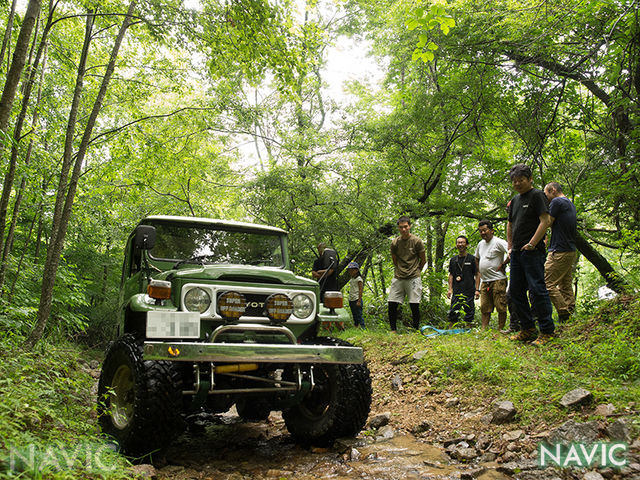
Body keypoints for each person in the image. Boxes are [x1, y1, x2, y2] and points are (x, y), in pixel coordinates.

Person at [507, 164, 555, 345]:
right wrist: (510, 246)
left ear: (530, 179)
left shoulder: (537, 195)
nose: (517, 183)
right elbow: (510, 224)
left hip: (532, 252)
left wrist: (532, 243)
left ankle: (547, 331)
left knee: (537, 290)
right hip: (517, 253)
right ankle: (527, 328)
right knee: (515, 292)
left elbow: (546, 220)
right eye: (514, 181)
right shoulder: (515, 200)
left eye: (520, 180)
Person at [543, 182, 577, 323]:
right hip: (570, 250)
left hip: (559, 250)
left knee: (546, 283)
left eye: (547, 194)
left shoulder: (557, 201)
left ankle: (564, 313)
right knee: (565, 284)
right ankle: (570, 314)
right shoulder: (569, 203)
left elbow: (547, 221)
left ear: (553, 190)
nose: (547, 199)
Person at [388, 216, 426, 333]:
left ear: (409, 226)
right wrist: (400, 269)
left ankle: (415, 329)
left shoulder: (417, 241)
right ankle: (393, 330)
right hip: (399, 276)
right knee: (392, 302)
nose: (404, 229)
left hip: (413, 276)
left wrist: (416, 270)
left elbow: (423, 260)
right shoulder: (395, 242)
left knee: (414, 303)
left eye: (406, 227)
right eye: (401, 227)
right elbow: (394, 259)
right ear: (398, 228)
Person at [474, 220, 509, 330]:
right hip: (485, 281)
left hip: (498, 279)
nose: (483, 233)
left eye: (485, 230)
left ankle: (500, 329)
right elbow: (477, 258)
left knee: (501, 305)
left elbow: (510, 251)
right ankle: (484, 329)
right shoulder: (480, 244)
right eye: (480, 231)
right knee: (485, 307)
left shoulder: (498, 242)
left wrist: (504, 264)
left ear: (492, 230)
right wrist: (479, 270)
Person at [447, 235, 479, 325]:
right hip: (456, 289)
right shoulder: (453, 260)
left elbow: (477, 274)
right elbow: (451, 275)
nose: (460, 244)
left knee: (469, 310)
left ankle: (468, 328)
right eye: (458, 242)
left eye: (462, 242)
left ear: (467, 244)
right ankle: (451, 328)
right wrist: (450, 289)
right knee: (453, 310)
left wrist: (477, 290)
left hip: (469, 289)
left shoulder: (472, 259)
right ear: (456, 245)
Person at [346, 261, 365, 328]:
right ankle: (356, 326)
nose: (350, 272)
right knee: (354, 314)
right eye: (349, 271)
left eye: (352, 270)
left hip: (357, 299)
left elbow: (360, 290)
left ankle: (363, 328)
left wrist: (359, 300)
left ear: (356, 270)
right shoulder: (352, 279)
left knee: (359, 314)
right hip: (351, 299)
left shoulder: (359, 279)